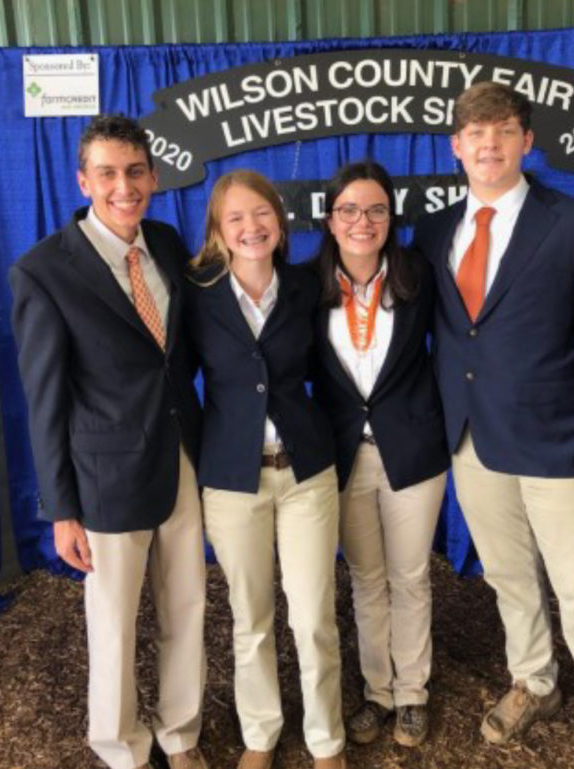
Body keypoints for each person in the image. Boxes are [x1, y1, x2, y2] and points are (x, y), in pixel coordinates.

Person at [412, 81, 574, 769]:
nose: (489, 144)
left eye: (503, 131)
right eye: (476, 133)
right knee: (507, 575)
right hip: (473, 438)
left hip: (560, 438)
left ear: (527, 141)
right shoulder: (435, 231)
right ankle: (535, 680)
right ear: (456, 147)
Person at [9, 115, 207, 769]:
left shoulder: (168, 244)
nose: (124, 187)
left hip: (181, 457)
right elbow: (45, 400)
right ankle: (123, 750)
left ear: (153, 176)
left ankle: (181, 735)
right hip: (105, 478)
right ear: (83, 181)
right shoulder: (44, 271)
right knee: (115, 623)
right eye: (108, 174)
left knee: (187, 606)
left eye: (135, 171)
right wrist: (62, 509)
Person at [184, 170, 347, 769]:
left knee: (313, 615)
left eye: (261, 214)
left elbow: (332, 372)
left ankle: (326, 740)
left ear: (279, 222)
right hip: (233, 479)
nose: (250, 227)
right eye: (235, 218)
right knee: (250, 617)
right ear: (217, 230)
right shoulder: (196, 295)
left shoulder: (306, 286)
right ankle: (261, 734)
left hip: (305, 475)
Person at [308, 161, 449, 748]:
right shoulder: (305, 285)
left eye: (375, 210)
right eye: (349, 210)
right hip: (344, 454)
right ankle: (377, 692)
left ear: (391, 217)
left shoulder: (419, 275)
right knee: (365, 578)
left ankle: (412, 693)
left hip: (412, 449)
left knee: (410, 576)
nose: (362, 222)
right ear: (330, 219)